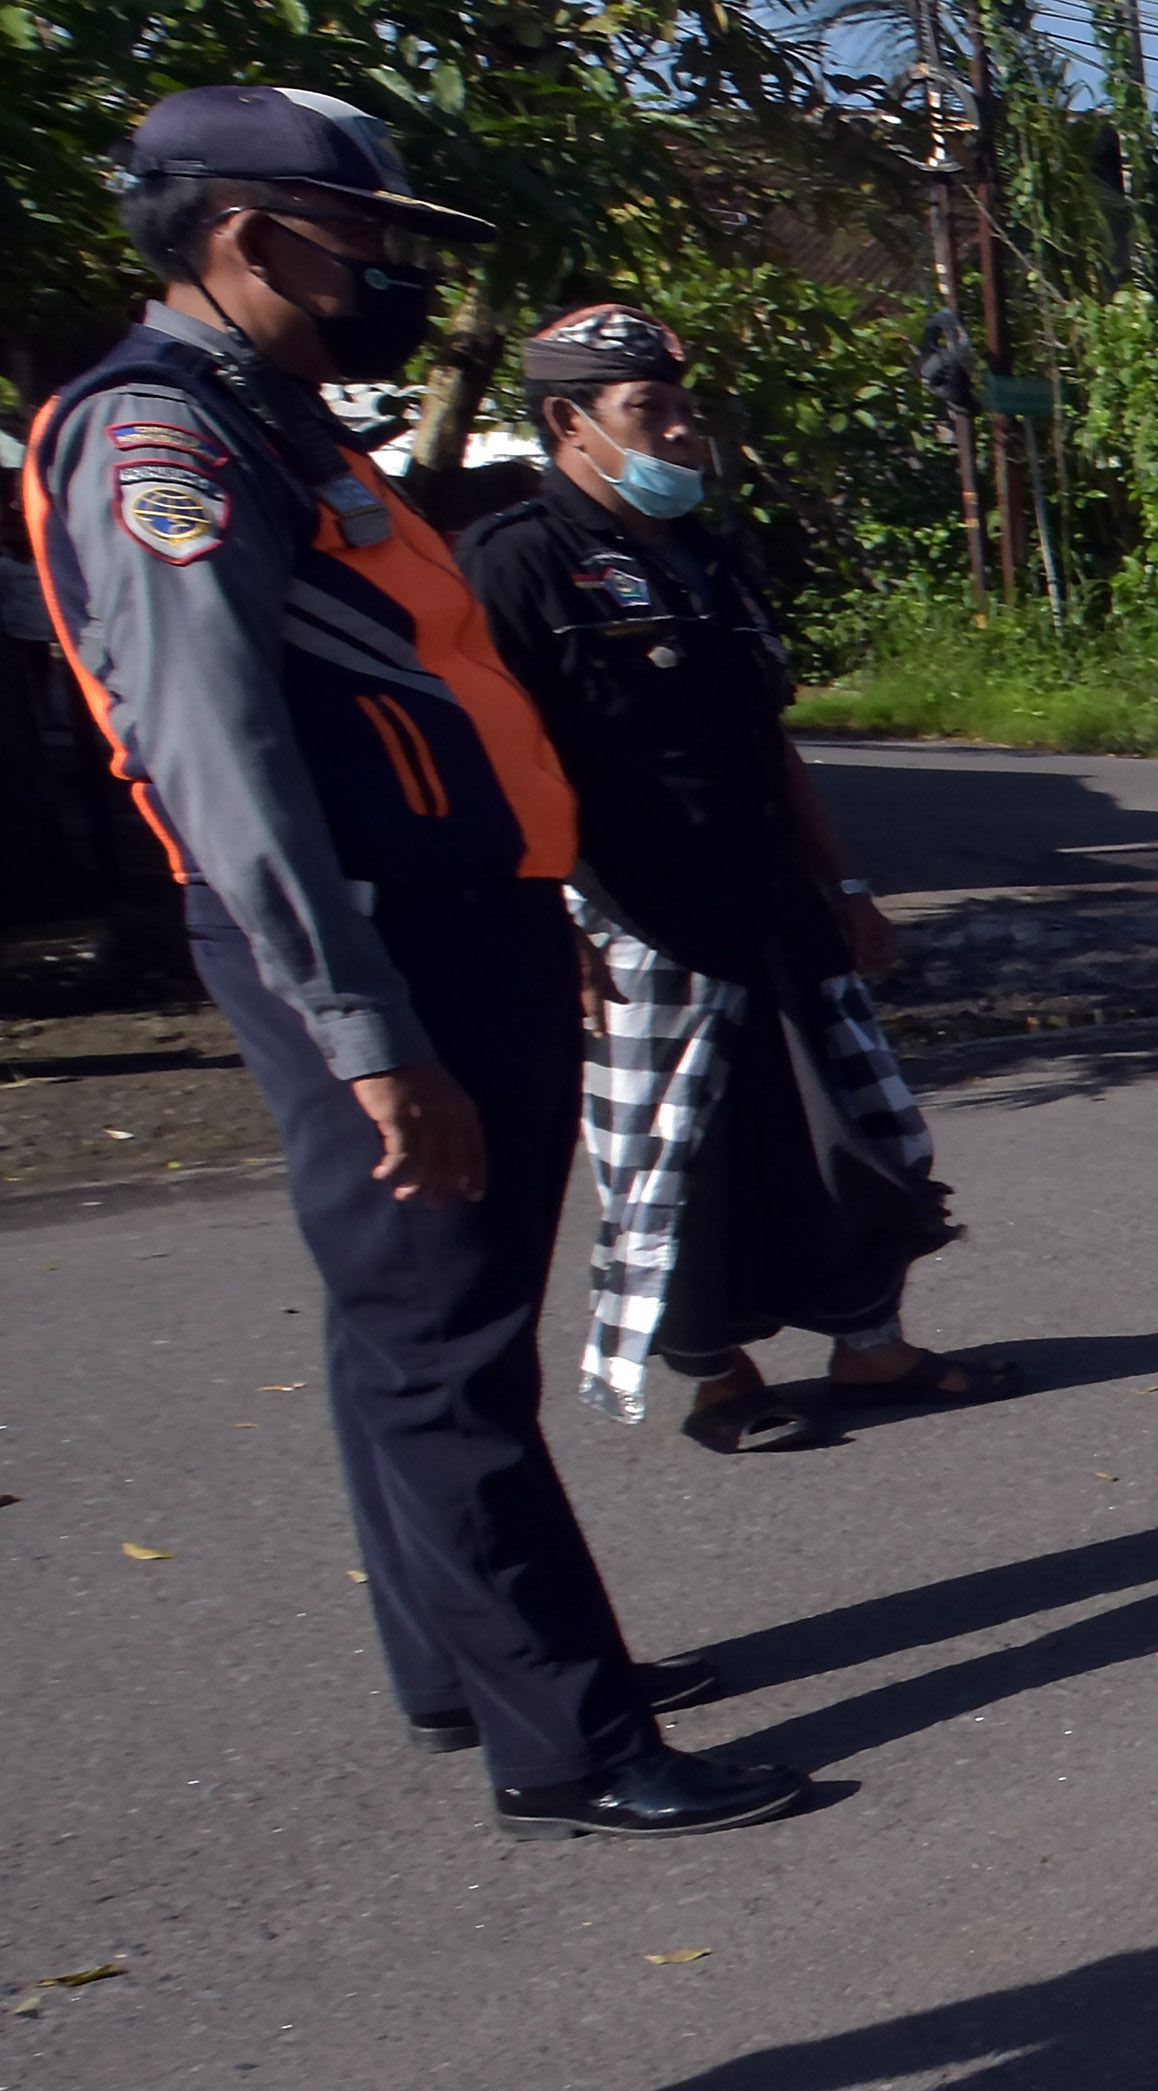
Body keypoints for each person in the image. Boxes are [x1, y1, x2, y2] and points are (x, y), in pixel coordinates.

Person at [20, 85, 799, 1838]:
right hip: (373, 944)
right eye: (365, 240)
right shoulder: (164, 441)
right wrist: (367, 1025)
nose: (388, 276)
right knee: (444, 1354)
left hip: (460, 924)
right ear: (244, 233)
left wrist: (531, 919)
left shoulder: (272, 423)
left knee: (417, 1332)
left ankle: (468, 1664)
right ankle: (574, 1740)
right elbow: (220, 757)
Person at [458, 302, 1009, 1449]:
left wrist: (846, 885)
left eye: (680, 409)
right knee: (678, 1160)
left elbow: (767, 742)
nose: (677, 435)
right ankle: (721, 1378)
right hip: (639, 921)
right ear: (569, 422)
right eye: (646, 411)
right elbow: (487, 761)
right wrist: (533, 923)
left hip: (771, 905)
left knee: (863, 1134)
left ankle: (870, 1345)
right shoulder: (517, 567)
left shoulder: (710, 560)